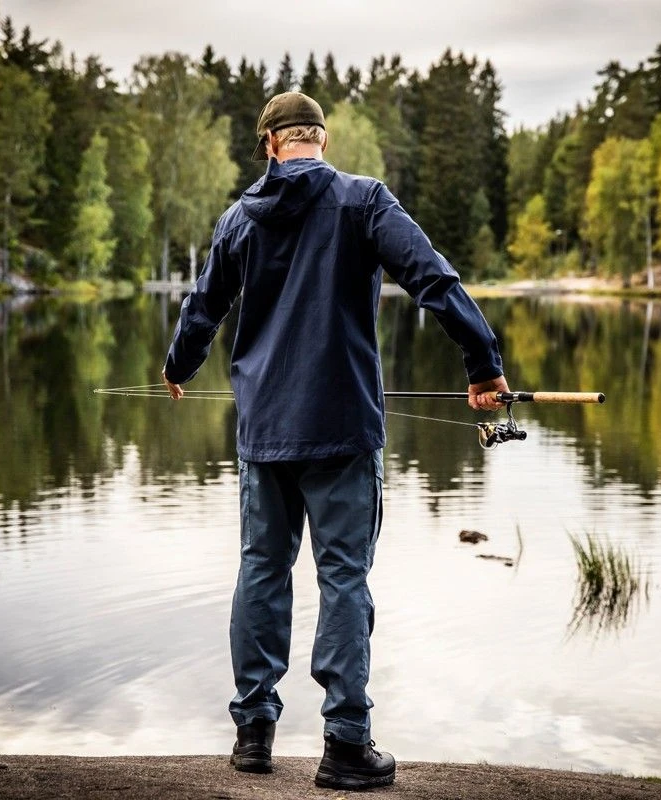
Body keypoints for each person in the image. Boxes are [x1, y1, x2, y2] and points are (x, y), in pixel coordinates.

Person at [162, 91, 509, 791]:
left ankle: (253, 735)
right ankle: (346, 745)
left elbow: (203, 306)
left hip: (265, 432)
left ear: (270, 144)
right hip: (344, 430)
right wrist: (482, 362)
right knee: (344, 576)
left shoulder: (239, 217)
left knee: (261, 570)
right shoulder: (364, 200)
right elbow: (433, 278)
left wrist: (178, 365)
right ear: (321, 139)